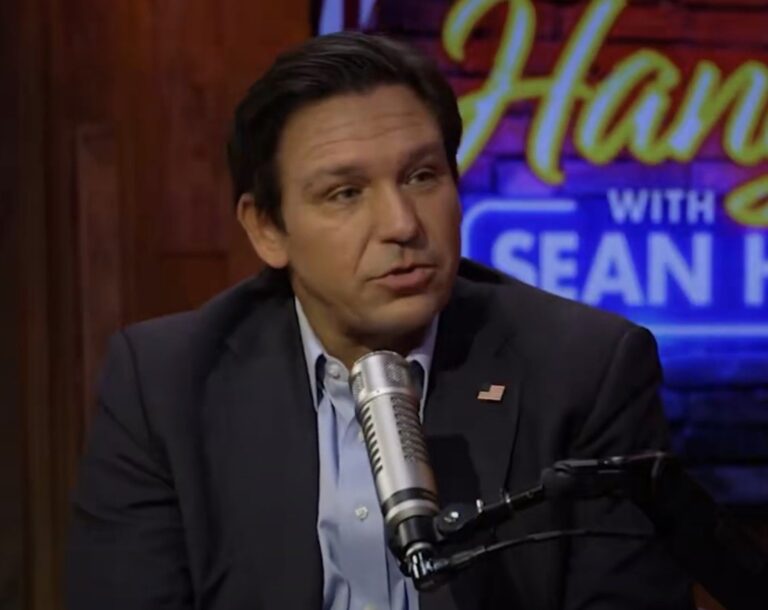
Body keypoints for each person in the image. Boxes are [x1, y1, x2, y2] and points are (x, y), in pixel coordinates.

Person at [67, 32, 694, 610]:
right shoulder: (165, 387)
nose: (402, 224)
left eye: (422, 176)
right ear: (267, 229)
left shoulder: (584, 370)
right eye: (345, 193)